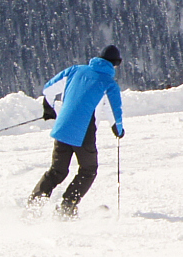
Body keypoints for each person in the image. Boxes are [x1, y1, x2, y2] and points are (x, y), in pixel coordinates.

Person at [29, 44, 125, 215]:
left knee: (57, 171)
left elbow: (49, 89)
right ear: (115, 64)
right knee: (88, 170)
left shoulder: (74, 70)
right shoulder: (108, 83)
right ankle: (67, 206)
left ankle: (34, 205)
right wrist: (118, 129)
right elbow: (113, 109)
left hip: (62, 127)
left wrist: (49, 107)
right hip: (84, 133)